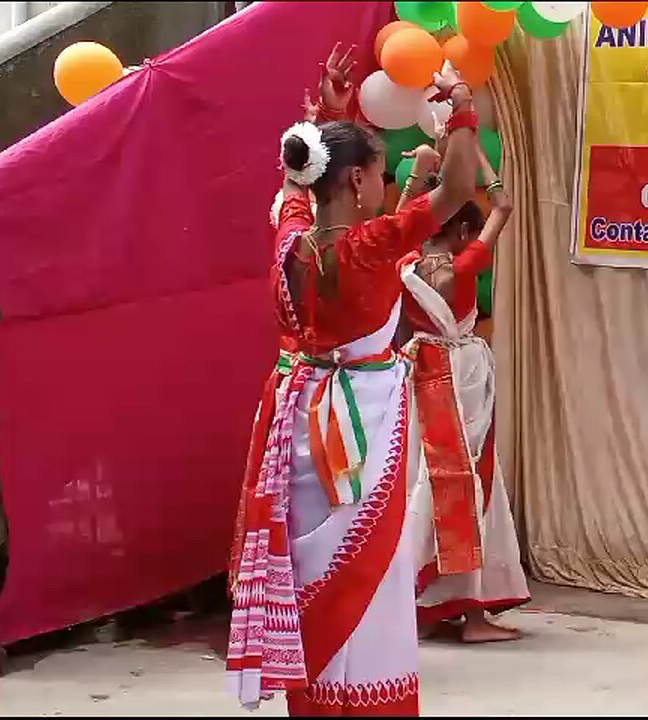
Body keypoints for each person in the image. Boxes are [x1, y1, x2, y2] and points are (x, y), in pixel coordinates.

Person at [226, 54, 482, 714]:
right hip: (361, 427)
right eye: (372, 170)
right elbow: (457, 189)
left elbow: (293, 186)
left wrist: (327, 120)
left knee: (310, 566)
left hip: (302, 418)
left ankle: (314, 699)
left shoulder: (290, 240)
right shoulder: (373, 243)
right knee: (373, 570)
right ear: (362, 180)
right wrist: (461, 107)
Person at [397, 141, 529, 643]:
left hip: (421, 369)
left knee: (423, 479)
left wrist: (421, 177)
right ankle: (471, 613)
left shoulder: (403, 265)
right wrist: (475, 154)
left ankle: (420, 595)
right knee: (473, 479)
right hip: (463, 373)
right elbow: (506, 205)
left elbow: (394, 221)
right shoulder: (468, 262)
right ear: (464, 229)